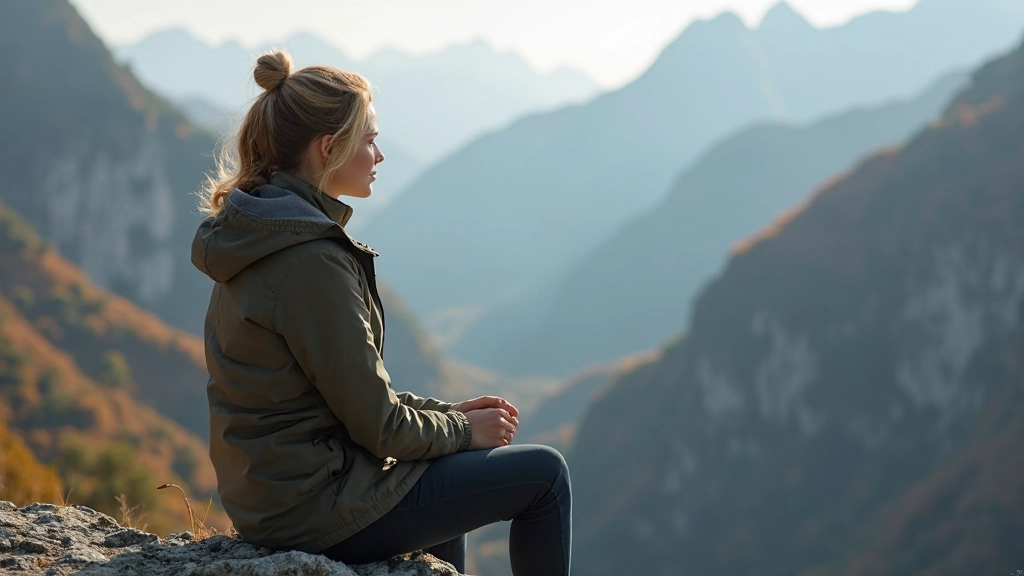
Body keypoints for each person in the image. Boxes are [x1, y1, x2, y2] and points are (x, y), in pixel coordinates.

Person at [189, 50, 571, 575]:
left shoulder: (253, 235)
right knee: (545, 476)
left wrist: (450, 417)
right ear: (327, 149)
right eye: (369, 139)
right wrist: (461, 431)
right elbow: (380, 427)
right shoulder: (308, 262)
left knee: (445, 464)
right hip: (313, 507)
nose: (380, 154)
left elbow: (341, 400)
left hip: (272, 495)